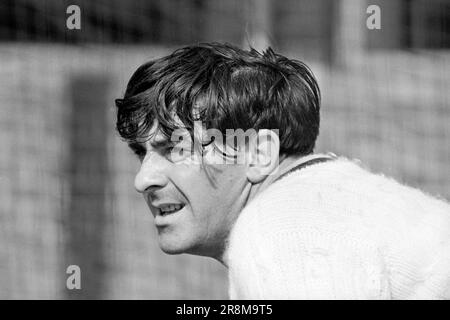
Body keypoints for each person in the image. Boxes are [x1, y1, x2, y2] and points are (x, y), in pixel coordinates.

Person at [115, 42, 450, 299]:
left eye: (176, 148)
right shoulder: (320, 198)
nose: (143, 179)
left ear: (259, 153)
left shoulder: (283, 230)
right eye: (140, 153)